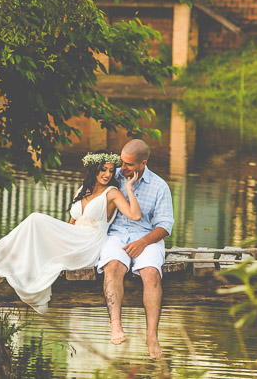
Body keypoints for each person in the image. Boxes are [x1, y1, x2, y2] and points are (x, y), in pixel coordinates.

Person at [0, 152, 142, 314]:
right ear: (93, 169)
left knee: (36, 219)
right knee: (34, 227)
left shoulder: (112, 193)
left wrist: (129, 188)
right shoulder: (82, 190)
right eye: (103, 169)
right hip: (74, 238)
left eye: (110, 170)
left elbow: (135, 215)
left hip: (89, 243)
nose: (107, 174)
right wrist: (61, 240)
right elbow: (71, 222)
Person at [97, 138, 173, 360]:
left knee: (150, 273)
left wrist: (143, 242)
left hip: (146, 238)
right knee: (112, 266)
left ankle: (152, 336)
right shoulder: (113, 178)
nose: (123, 168)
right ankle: (115, 325)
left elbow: (165, 226)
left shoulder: (160, 186)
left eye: (128, 164)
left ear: (143, 163)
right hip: (116, 235)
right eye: (122, 162)